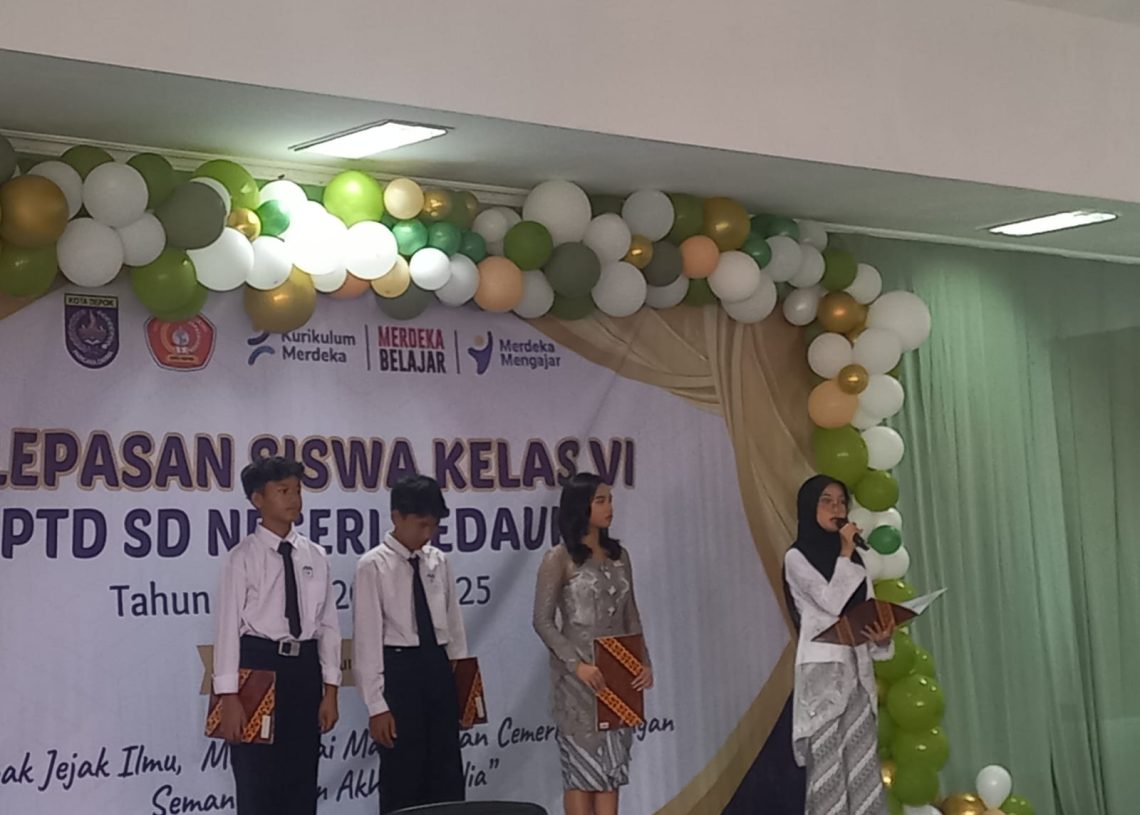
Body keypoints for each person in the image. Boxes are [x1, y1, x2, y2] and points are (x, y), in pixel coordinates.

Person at [212, 456, 342, 815]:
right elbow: (227, 630)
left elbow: (328, 625)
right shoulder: (241, 558)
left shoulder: (316, 555)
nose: (294, 499)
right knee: (257, 781)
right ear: (258, 499)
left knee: (301, 777)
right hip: (258, 666)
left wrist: (331, 690)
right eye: (283, 491)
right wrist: (228, 697)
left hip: (304, 669)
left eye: (298, 490)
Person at [533, 473, 653, 815]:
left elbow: (631, 615)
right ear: (580, 507)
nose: (609, 507)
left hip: (617, 675)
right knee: (581, 775)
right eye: (600, 501)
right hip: (579, 680)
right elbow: (542, 621)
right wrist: (576, 665)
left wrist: (644, 662)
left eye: (610, 499)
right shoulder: (559, 559)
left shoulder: (620, 555)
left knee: (611, 773)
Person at [353, 474, 468, 815]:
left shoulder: (438, 561)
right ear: (397, 516)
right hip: (400, 670)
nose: (427, 533)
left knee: (446, 771)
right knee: (403, 775)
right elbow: (367, 642)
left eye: (433, 525)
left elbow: (455, 628)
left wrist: (465, 688)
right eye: (421, 524)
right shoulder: (373, 565)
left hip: (438, 667)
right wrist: (377, 706)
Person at [782, 474, 895, 815]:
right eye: (827, 501)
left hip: (857, 674)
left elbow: (867, 611)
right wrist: (846, 552)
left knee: (862, 771)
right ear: (809, 507)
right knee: (829, 771)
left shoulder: (856, 562)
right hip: (824, 677)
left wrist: (882, 637)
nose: (837, 508)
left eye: (842, 502)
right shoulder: (797, 557)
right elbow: (831, 602)